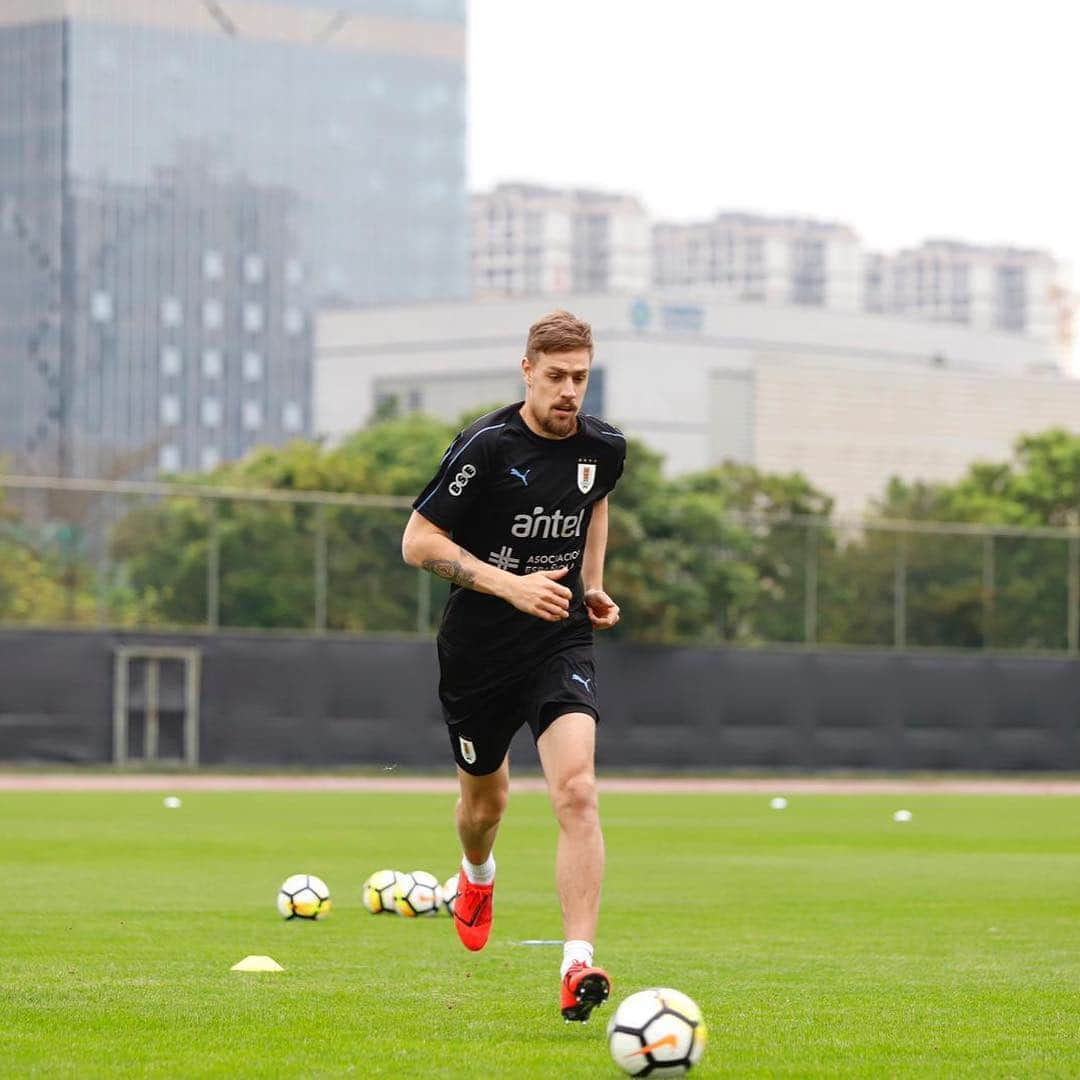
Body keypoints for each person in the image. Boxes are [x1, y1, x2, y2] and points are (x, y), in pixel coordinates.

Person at [401, 310, 626, 1022]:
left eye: (580, 378)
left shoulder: (605, 446)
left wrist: (588, 584)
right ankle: (476, 874)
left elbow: (594, 503)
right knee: (484, 805)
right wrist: (509, 584)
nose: (569, 391)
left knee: (578, 791)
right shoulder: (486, 447)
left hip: (558, 639)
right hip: (477, 650)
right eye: (556, 376)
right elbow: (417, 542)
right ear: (526, 369)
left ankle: (577, 963)